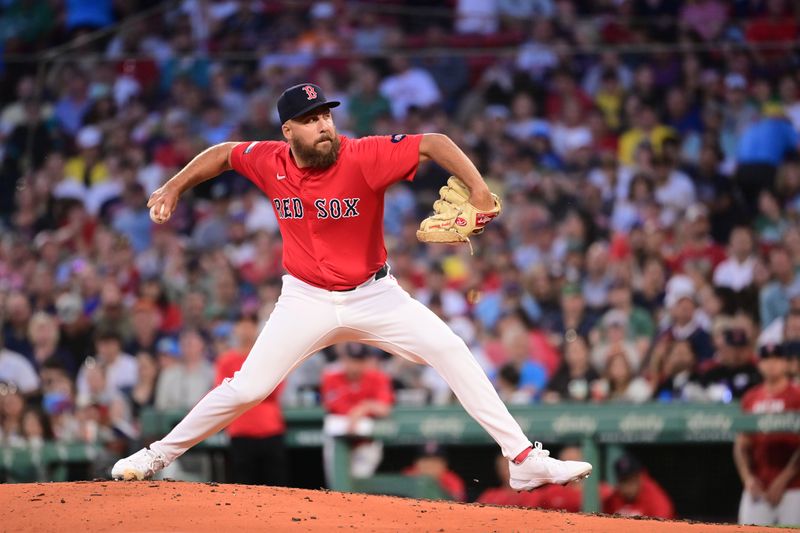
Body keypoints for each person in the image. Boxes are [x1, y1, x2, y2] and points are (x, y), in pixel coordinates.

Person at [112, 82, 592, 489]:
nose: (324, 124)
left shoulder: (363, 156)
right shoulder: (270, 160)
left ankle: (524, 461)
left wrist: (481, 189)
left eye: (326, 114)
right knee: (247, 389)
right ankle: (155, 456)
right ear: (288, 131)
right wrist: (174, 186)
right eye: (310, 118)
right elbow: (223, 155)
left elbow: (434, 141)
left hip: (374, 295)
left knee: (450, 348)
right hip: (305, 298)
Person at [216, 315, 288, 486]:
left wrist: (244, 389)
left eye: (249, 326)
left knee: (277, 485)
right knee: (243, 486)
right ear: (236, 330)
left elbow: (274, 389)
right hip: (240, 431)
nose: (246, 331)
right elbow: (224, 392)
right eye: (242, 326)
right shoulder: (226, 360)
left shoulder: (268, 355)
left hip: (270, 430)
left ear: (256, 328)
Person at [734, 343, 800, 526]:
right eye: (766, 360)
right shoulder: (751, 397)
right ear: (759, 364)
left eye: (777, 359)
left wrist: (783, 479)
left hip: (794, 487)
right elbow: (741, 444)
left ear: (786, 364)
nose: (771, 364)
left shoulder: (797, 395)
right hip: (759, 485)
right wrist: (747, 479)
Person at [320, 342, 392, 485]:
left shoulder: (378, 377)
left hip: (366, 442)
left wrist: (363, 408)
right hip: (338, 441)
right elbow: (333, 406)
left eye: (359, 360)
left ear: (366, 361)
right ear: (343, 359)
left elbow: (385, 408)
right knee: (337, 486)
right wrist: (361, 410)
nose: (355, 365)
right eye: (351, 360)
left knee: (359, 487)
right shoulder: (331, 377)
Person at [603, 454, 675, 519]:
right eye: (623, 481)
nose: (627, 487)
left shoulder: (655, 498)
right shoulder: (613, 500)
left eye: (631, 481)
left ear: (640, 478)